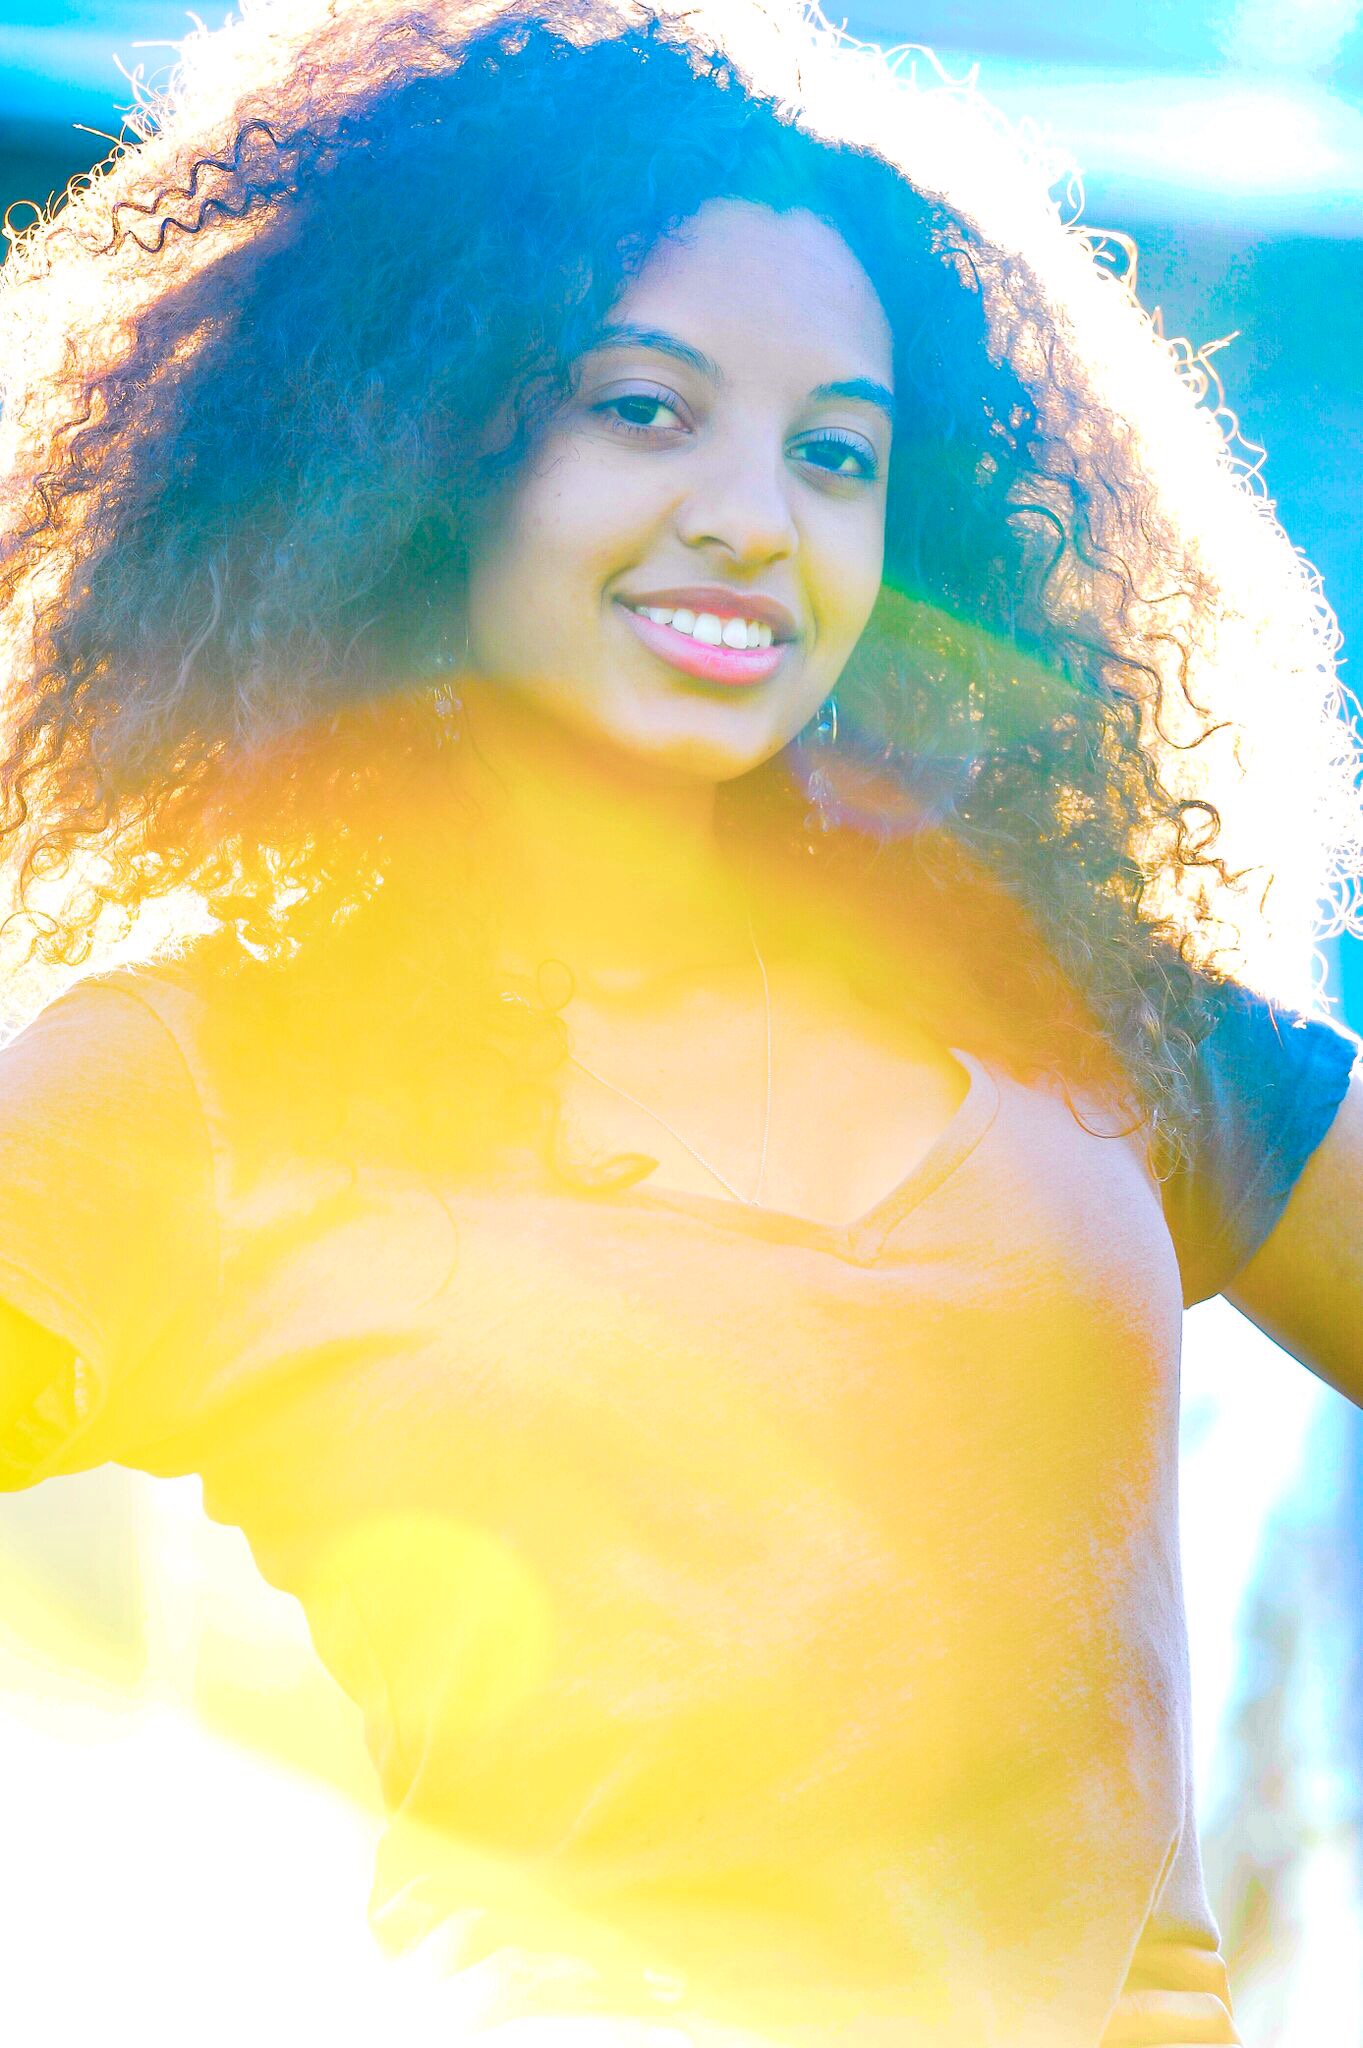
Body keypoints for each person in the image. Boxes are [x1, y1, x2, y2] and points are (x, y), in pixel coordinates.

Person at [0, 1, 1359, 2040]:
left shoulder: (1080, 1010)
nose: (754, 517)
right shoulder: (193, 1076)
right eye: (643, 410)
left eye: (836, 454)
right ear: (416, 441)